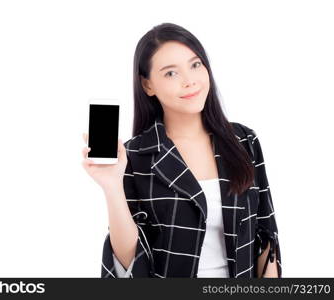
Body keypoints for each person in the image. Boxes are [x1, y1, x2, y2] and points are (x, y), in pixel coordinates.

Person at [81, 23, 281, 278]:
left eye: (195, 65)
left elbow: (265, 234)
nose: (190, 81)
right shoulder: (136, 156)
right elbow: (130, 261)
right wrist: (111, 187)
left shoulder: (243, 140)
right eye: (170, 73)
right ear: (147, 85)